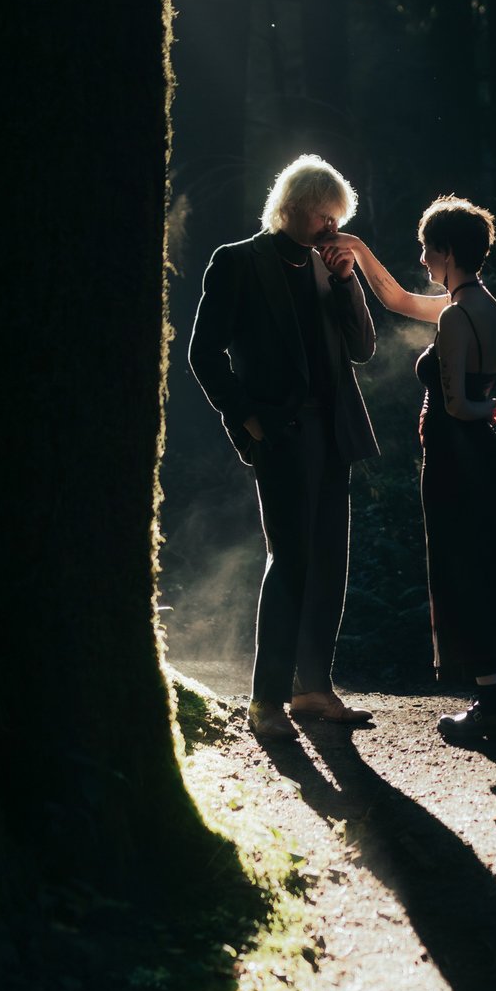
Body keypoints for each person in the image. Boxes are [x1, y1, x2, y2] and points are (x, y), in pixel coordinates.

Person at [186, 154, 380, 738]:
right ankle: (266, 700)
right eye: (325, 217)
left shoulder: (331, 268)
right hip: (282, 433)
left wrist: (349, 281)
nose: (333, 230)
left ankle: (313, 690)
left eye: (338, 220)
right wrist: (248, 420)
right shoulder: (239, 262)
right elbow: (203, 354)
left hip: (335, 432)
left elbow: (364, 349)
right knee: (291, 558)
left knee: (330, 561)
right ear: (294, 207)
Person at [340, 197, 496, 740]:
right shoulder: (484, 305)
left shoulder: (456, 316)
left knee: (461, 573)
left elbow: (459, 404)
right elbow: (398, 299)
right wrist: (357, 248)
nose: (424, 260)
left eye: (428, 249)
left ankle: (488, 705)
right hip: (482, 459)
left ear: (449, 251)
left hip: (456, 458)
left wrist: (492, 410)